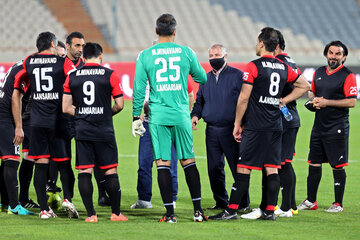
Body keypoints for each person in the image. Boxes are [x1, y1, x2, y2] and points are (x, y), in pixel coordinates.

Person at [209, 27, 310, 221]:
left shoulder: (254, 66)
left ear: (262, 44)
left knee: (243, 168)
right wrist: (282, 101)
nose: (256, 44)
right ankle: (270, 211)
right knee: (272, 168)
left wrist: (238, 123)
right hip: (275, 126)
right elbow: (305, 86)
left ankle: (230, 211)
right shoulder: (283, 67)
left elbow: (243, 98)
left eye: (257, 42)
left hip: (255, 125)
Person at [132, 13, 207, 223]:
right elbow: (202, 77)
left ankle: (170, 214)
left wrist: (135, 117)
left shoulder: (145, 55)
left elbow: (138, 90)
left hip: (157, 117)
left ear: (156, 31)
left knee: (163, 163)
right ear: (175, 31)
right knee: (188, 161)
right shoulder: (186, 52)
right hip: (182, 115)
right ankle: (198, 211)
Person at [12, 31, 78, 219]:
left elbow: (18, 90)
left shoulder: (29, 62)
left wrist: (18, 124)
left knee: (40, 163)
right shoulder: (62, 62)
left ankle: (43, 210)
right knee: (64, 163)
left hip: (37, 121)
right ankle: (68, 199)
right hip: (58, 120)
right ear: (51, 44)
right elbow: (76, 81)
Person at [62, 42, 127, 222]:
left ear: (82, 57)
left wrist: (83, 114)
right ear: (101, 56)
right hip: (104, 129)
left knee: (85, 171)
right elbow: (120, 104)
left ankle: (91, 215)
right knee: (110, 170)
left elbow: (66, 107)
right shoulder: (110, 75)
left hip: (83, 129)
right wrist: (106, 113)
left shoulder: (72, 76)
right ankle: (116, 214)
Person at [298, 40, 357, 212]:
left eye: (338, 54)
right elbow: (312, 91)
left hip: (337, 127)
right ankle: (311, 201)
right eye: (331, 53)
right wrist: (313, 100)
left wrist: (326, 102)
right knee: (313, 163)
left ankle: (338, 203)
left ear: (344, 57)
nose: (333, 56)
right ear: (326, 54)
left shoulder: (348, 75)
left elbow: (352, 102)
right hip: (319, 126)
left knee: (337, 166)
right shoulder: (319, 72)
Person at [191, 43, 249, 211]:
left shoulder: (237, 75)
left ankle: (242, 202)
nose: (213, 59)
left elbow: (245, 101)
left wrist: (243, 124)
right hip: (211, 130)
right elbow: (200, 100)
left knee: (237, 168)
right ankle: (221, 201)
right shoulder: (205, 77)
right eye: (211, 56)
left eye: (217, 55)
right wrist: (195, 116)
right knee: (214, 168)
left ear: (225, 56)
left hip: (232, 129)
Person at [131, 81, 194, 209]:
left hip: (167, 124)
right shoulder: (144, 75)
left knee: (169, 163)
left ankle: (171, 198)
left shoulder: (172, 70)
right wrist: (138, 113)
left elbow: (190, 94)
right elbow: (139, 95)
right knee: (144, 162)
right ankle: (144, 199)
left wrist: (185, 115)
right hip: (148, 124)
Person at [0, 60, 35, 215]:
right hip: (5, 114)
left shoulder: (22, 64)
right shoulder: (28, 70)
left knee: (5, 160)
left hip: (2, 110)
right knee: (12, 159)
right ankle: (14, 206)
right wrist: (19, 127)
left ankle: (5, 201)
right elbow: (16, 98)